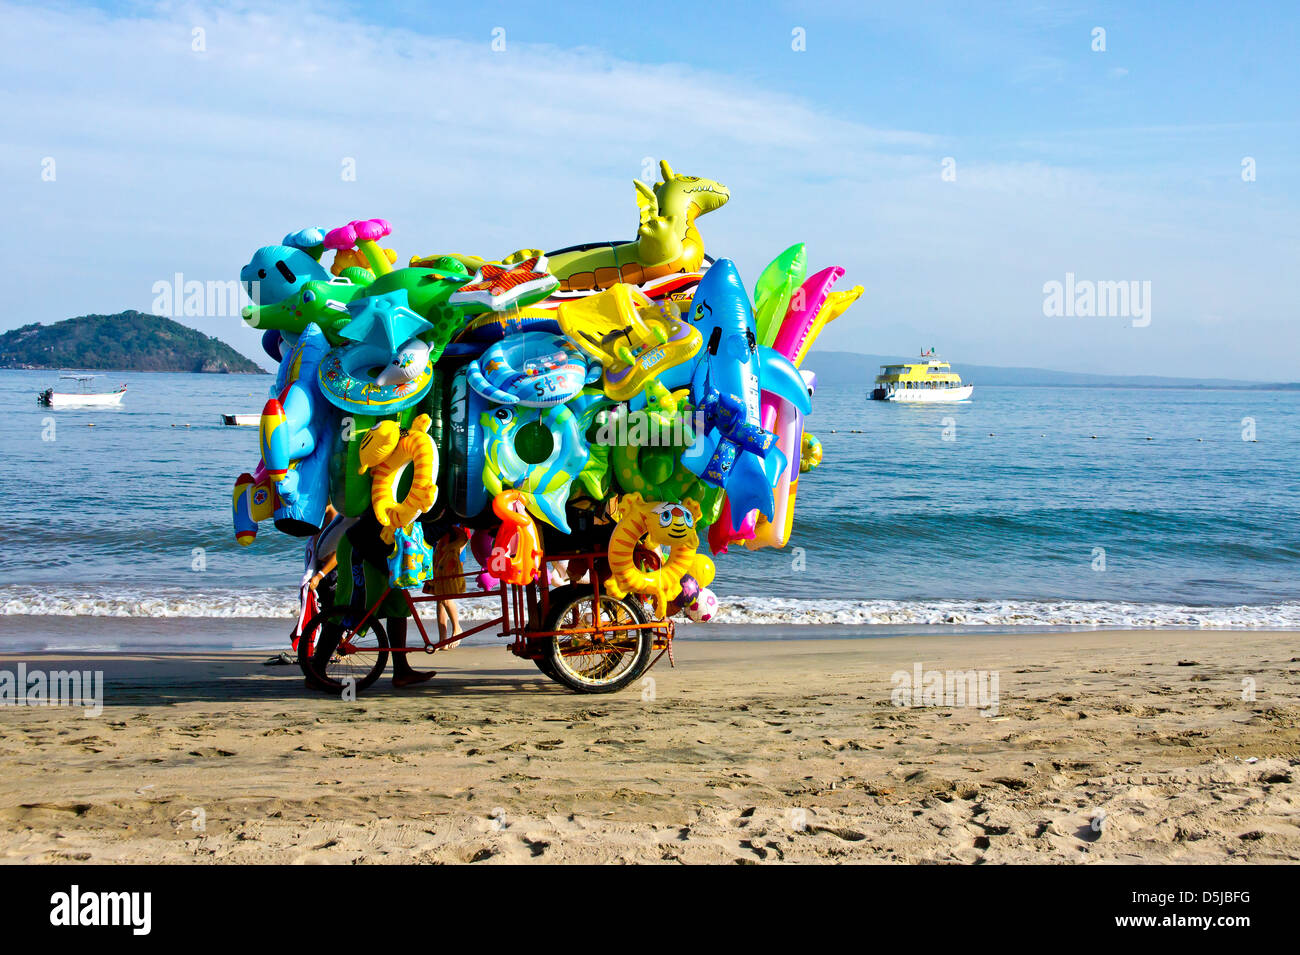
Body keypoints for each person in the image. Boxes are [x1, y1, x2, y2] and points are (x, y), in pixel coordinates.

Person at [426, 527, 468, 649]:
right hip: (438, 552)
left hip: (451, 555)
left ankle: (457, 628)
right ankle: (442, 639)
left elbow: (464, 537)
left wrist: (456, 552)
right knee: (439, 597)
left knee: (445, 596)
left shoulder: (454, 517)